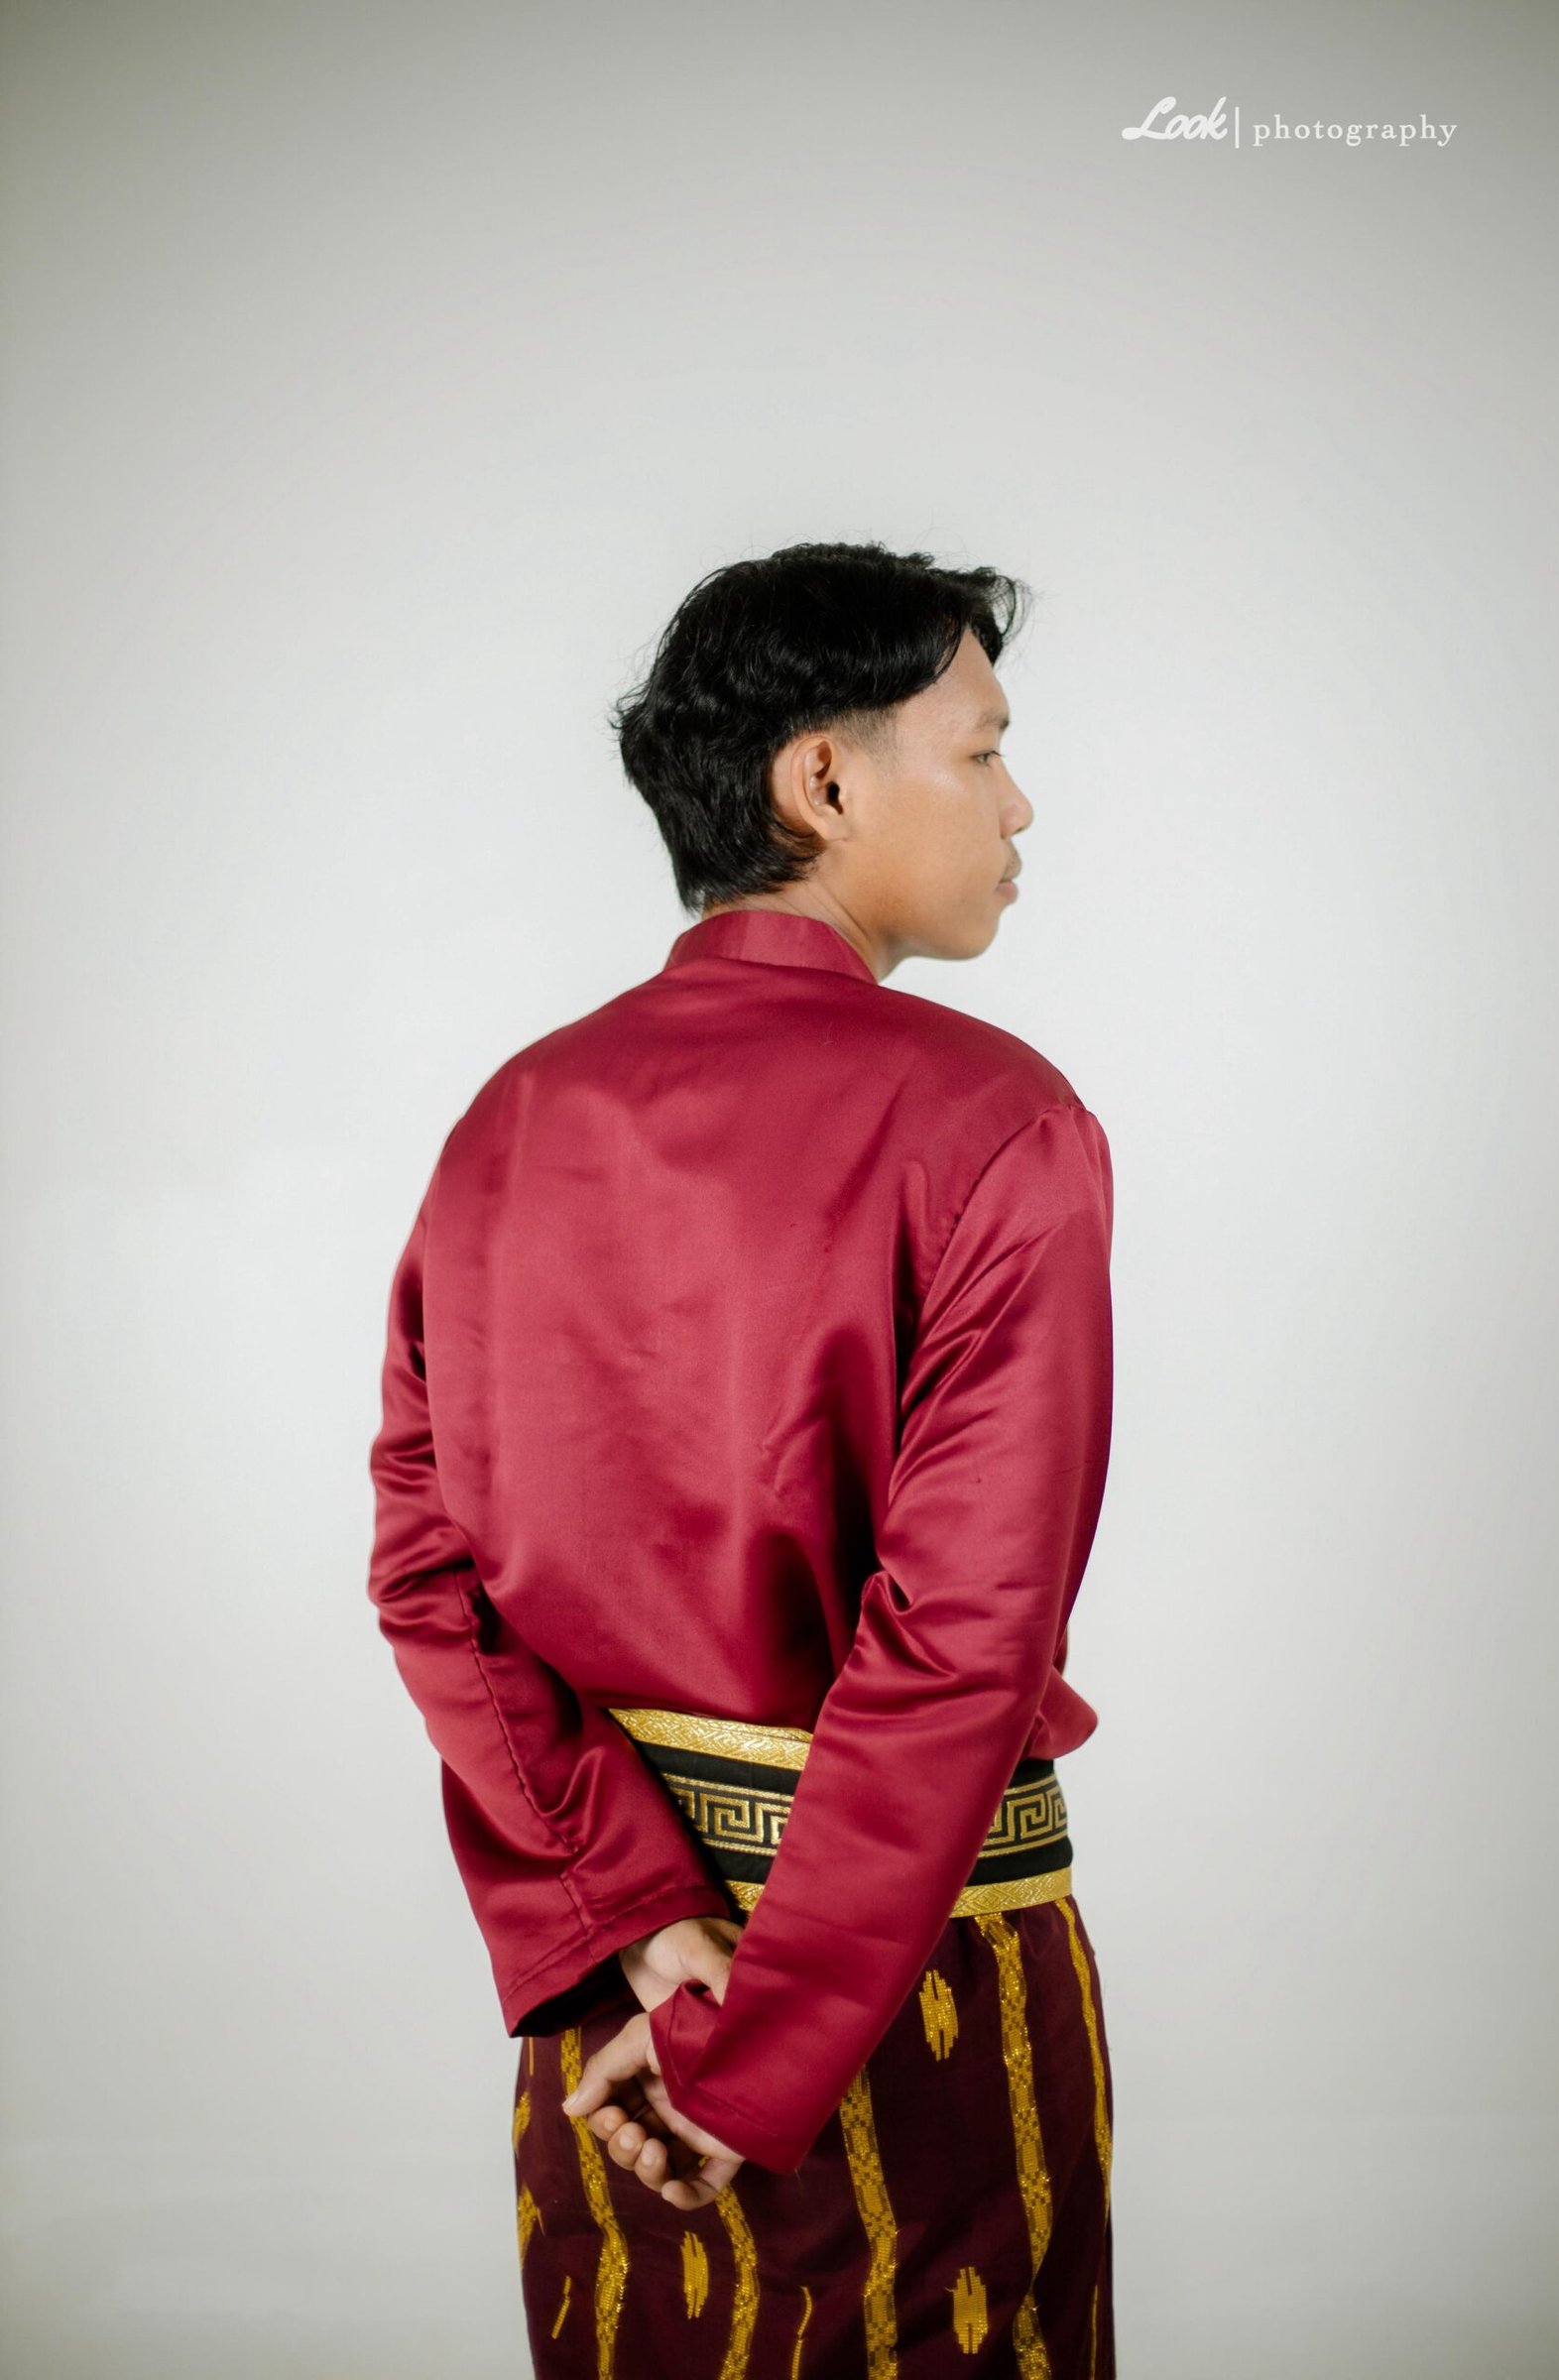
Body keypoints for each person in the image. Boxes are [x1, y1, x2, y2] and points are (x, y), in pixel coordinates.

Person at [365, 539, 1118, 2377]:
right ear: (825, 779)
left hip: (622, 2015)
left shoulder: (509, 1121)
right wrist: (757, 2052)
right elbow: (960, 1650)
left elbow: (429, 1577)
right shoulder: (998, 1123)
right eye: (983, 748)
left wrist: (635, 1925)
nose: (1020, 803)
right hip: (909, 1991)